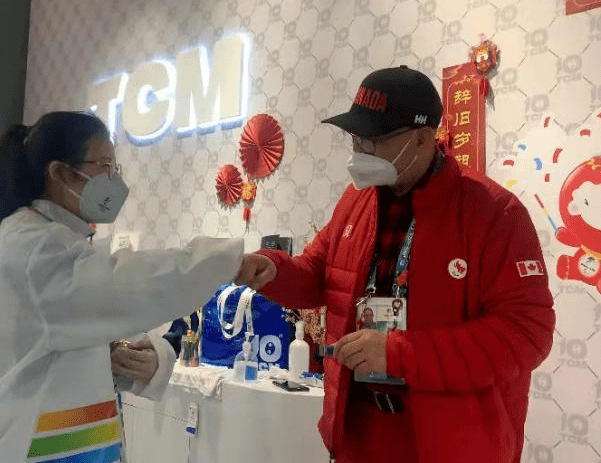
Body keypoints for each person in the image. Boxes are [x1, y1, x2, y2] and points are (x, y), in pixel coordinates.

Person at [237, 67, 555, 463]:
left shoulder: (494, 213)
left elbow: (527, 334)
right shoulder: (356, 202)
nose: (360, 151)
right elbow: (318, 275)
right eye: (356, 137)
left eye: (373, 139)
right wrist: (271, 270)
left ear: (422, 138)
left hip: (451, 442)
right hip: (358, 433)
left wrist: (399, 354)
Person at [0, 111, 250, 463]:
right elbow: (130, 286)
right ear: (60, 172)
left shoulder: (54, 242)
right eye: (104, 166)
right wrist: (225, 261)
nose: (114, 180)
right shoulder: (38, 248)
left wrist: (135, 357)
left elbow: (71, 340)